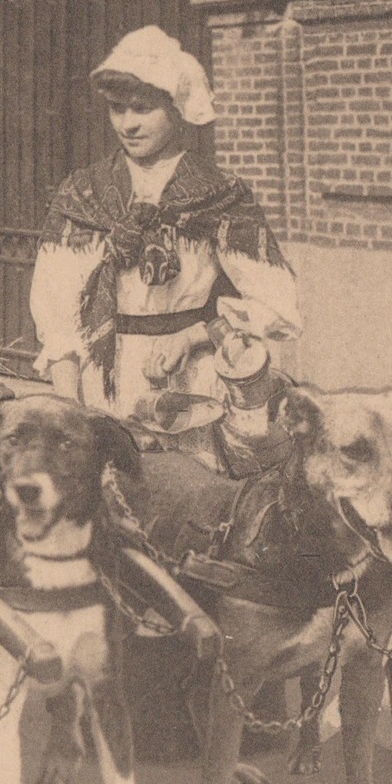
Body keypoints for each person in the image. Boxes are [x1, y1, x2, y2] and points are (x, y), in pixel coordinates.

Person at [29, 26, 302, 473]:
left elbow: (278, 304)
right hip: (105, 383)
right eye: (117, 109)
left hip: (192, 387)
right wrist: (69, 410)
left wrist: (197, 334)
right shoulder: (83, 194)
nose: (128, 124)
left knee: (193, 505)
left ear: (177, 110)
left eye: (143, 108)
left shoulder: (219, 195)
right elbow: (57, 314)